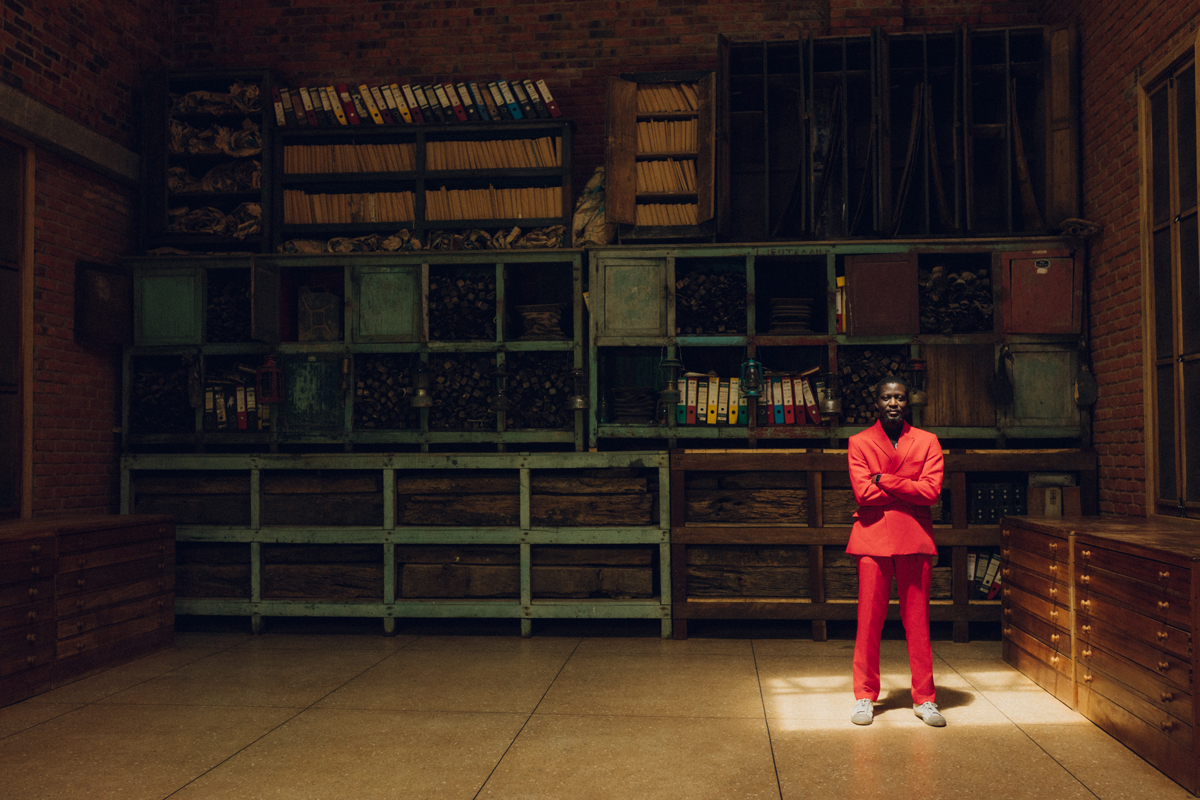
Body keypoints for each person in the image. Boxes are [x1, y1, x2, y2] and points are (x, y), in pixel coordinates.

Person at [846, 376, 946, 727]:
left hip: (914, 539)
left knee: (917, 623)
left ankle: (926, 699)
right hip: (872, 539)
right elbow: (863, 494)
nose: (893, 403)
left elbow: (931, 492)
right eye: (887, 397)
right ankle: (864, 696)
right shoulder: (858, 442)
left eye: (900, 398)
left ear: (909, 402)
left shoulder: (928, 441)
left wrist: (883, 480)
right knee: (868, 623)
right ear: (877, 402)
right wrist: (908, 488)